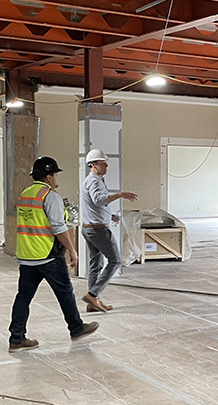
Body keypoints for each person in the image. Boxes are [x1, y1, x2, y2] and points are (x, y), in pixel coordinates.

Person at [9, 156, 98, 352]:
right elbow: (58, 228)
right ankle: (76, 328)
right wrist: (72, 250)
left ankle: (16, 338)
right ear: (49, 177)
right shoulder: (50, 196)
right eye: (55, 174)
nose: (57, 178)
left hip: (27, 256)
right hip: (47, 255)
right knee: (65, 293)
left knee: (23, 297)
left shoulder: (25, 194)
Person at [80, 148, 138, 312]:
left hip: (89, 228)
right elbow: (99, 200)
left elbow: (93, 205)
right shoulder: (94, 181)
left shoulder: (91, 180)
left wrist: (109, 215)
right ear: (93, 165)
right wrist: (120, 194)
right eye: (102, 163)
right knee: (115, 261)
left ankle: (93, 303)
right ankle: (93, 294)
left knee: (95, 265)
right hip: (98, 231)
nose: (106, 165)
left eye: (106, 163)